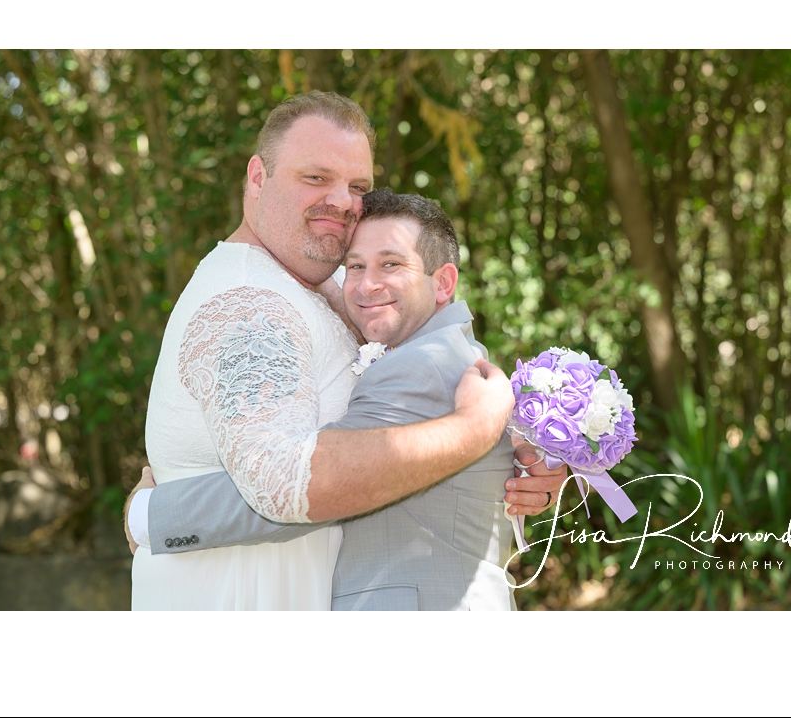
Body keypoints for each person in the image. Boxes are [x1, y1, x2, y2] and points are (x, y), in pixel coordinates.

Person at [127, 91, 554, 611]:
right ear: (257, 178)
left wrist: (521, 453)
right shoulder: (249, 304)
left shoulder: (318, 283)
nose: (344, 201)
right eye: (316, 178)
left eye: (358, 186)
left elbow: (422, 352)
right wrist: (471, 431)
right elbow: (285, 484)